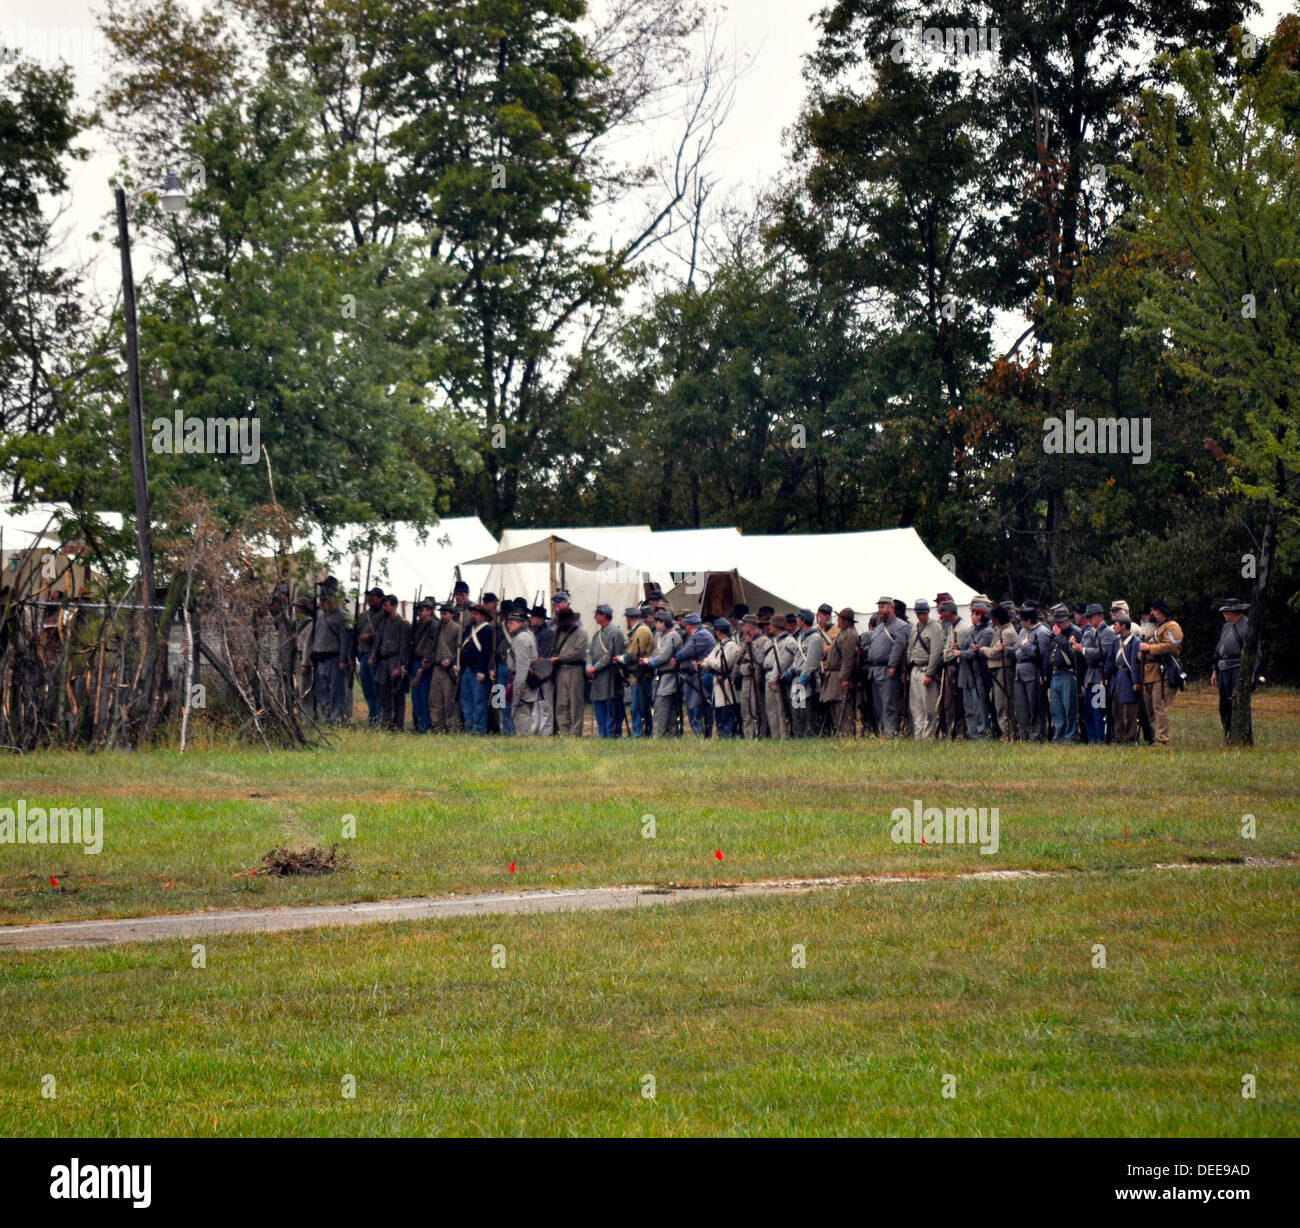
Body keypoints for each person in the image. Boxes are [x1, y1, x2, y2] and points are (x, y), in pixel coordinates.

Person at [1139, 597, 1183, 746]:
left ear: (1162, 612)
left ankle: (1162, 739)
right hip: (1149, 673)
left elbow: (1172, 646)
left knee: (1160, 707)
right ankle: (1155, 736)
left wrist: (1149, 648)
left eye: (1154, 610)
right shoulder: (1152, 630)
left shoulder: (1172, 627)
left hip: (1163, 672)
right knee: (1150, 708)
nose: (1151, 613)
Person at [863, 596, 907, 737]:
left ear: (890, 608)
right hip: (875, 671)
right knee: (878, 706)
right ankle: (883, 734)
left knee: (889, 706)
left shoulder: (900, 626)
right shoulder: (879, 627)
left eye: (882, 607)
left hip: (888, 670)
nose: (879, 610)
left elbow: (899, 648)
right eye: (879, 607)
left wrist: (893, 666)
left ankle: (890, 736)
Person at [1073, 603, 1116, 743]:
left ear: (1100, 616)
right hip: (1089, 675)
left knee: (1099, 711)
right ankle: (1092, 739)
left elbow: (1102, 653)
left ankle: (1100, 739)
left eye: (1092, 617)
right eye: (1089, 617)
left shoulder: (1108, 632)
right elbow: (1089, 649)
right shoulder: (1089, 632)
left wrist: (1084, 650)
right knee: (1089, 712)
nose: (1090, 620)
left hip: (1100, 675)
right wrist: (1085, 650)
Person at [370, 593, 411, 731]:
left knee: (397, 695)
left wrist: (400, 666)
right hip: (384, 662)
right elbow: (377, 641)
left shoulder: (403, 624)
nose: (384, 608)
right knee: (384, 694)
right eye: (383, 605)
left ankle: (398, 725)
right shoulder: (383, 622)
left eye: (386, 605)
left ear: (394, 606)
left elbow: (404, 646)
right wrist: (373, 656)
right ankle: (386, 722)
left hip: (395, 661)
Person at [1211, 598, 1250, 740]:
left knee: (1237, 703)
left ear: (1235, 611)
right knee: (1224, 703)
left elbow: (1254, 650)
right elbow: (1219, 649)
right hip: (1223, 667)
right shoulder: (1227, 626)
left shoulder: (1247, 625)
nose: (1225, 614)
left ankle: (1240, 735)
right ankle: (1227, 733)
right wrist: (1215, 669)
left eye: (1227, 611)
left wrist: (1251, 672)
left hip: (1238, 667)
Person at [587, 604, 627, 737]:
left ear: (603, 615)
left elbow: (610, 655)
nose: (594, 617)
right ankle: (603, 735)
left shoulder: (616, 633)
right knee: (599, 708)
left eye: (597, 614)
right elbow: (589, 653)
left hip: (611, 677)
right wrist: (588, 667)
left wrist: (595, 667)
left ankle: (611, 735)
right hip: (597, 678)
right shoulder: (596, 635)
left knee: (612, 710)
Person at [906, 599, 944, 739]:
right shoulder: (915, 627)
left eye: (923, 613)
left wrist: (929, 673)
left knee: (929, 708)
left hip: (926, 669)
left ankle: (928, 738)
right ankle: (919, 737)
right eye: (918, 613)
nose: (921, 616)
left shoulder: (935, 628)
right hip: (915, 669)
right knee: (915, 707)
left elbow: (936, 653)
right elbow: (910, 648)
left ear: (928, 612)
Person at [1013, 604, 1051, 741]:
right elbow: (1017, 648)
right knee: (1022, 706)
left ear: (1029, 621)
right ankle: (1024, 734)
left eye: (1022, 620)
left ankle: (1037, 735)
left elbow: (1041, 654)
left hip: (1033, 672)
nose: (1020, 622)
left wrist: (1026, 646)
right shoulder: (1023, 632)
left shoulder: (1042, 632)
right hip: (1020, 671)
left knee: (1035, 705)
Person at [310, 591, 349, 724]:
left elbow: (345, 640)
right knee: (322, 690)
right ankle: (325, 718)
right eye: (321, 600)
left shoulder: (343, 616)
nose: (321, 603)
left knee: (337, 691)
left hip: (335, 658)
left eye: (324, 601)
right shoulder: (319, 615)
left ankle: (337, 719)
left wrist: (343, 659)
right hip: (320, 658)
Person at [644, 609, 684, 737]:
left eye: (658, 622)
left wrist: (650, 662)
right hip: (661, 675)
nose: (656, 624)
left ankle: (658, 735)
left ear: (664, 623)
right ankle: (670, 736)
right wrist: (648, 660)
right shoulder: (658, 635)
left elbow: (664, 656)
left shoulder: (673, 636)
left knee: (661, 706)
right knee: (669, 707)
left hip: (670, 675)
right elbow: (656, 653)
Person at [675, 613, 716, 736]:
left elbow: (688, 652)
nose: (685, 627)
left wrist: (675, 657)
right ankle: (701, 733)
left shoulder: (701, 635)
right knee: (697, 705)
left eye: (686, 625)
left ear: (690, 625)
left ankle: (700, 734)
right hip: (697, 674)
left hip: (703, 674)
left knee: (695, 705)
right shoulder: (697, 634)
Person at [550, 607, 589, 735]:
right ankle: (564, 731)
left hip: (575, 670)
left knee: (575, 702)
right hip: (561, 670)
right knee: (562, 703)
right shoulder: (558, 632)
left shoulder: (581, 634)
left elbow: (578, 653)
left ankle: (576, 732)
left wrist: (559, 658)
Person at [980, 603, 1017, 740]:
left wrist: (984, 650)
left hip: (1004, 670)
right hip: (997, 670)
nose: (991, 621)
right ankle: (1004, 732)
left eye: (993, 618)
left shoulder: (1008, 633)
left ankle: (1008, 733)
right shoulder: (1000, 630)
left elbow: (996, 653)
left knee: (1003, 704)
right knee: (998, 703)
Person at [617, 606, 654, 737]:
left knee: (638, 707)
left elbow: (632, 654)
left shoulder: (641, 630)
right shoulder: (639, 630)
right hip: (636, 675)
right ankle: (646, 732)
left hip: (640, 675)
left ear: (629, 618)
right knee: (640, 706)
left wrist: (620, 659)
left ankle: (639, 734)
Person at [821, 608, 859, 737]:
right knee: (836, 711)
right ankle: (840, 736)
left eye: (839, 618)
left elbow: (848, 659)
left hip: (840, 676)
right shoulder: (844, 633)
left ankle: (846, 737)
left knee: (843, 711)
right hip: (834, 676)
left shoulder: (849, 635)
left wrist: (844, 679)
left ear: (844, 621)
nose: (837, 620)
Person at [1046, 603, 1081, 743]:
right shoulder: (1054, 634)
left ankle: (1070, 736)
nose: (1055, 625)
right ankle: (1059, 736)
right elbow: (1049, 653)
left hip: (1068, 673)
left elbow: (1073, 655)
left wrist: (1059, 636)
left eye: (1057, 622)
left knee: (1069, 707)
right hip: (1055, 673)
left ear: (1065, 621)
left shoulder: (1075, 632)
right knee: (1056, 708)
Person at [960, 600, 994, 739]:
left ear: (981, 615)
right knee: (969, 708)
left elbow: (975, 652)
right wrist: (960, 649)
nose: (972, 616)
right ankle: (972, 733)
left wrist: (961, 653)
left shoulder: (988, 632)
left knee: (980, 707)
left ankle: (982, 734)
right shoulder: (971, 630)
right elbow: (964, 647)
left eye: (975, 613)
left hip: (978, 673)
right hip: (967, 673)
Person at [1108, 612, 1143, 744]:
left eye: (1116, 624)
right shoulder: (1116, 642)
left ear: (1123, 626)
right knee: (1117, 711)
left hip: (1128, 679)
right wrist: (1107, 676)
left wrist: (1136, 682)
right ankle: (1119, 739)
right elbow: (1110, 661)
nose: (1114, 627)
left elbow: (1135, 664)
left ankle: (1130, 739)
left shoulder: (1135, 642)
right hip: (1118, 678)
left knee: (1129, 712)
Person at [457, 603, 493, 734]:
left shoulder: (487, 630)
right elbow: (462, 648)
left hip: (477, 670)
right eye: (472, 613)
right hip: (466, 669)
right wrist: (458, 664)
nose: (473, 616)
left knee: (479, 702)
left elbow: (486, 652)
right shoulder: (468, 629)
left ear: (483, 616)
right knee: (466, 701)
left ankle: (479, 729)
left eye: (476, 614)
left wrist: (482, 671)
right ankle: (469, 727)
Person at [704, 618, 742, 738]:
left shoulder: (731, 646)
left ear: (719, 631)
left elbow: (721, 666)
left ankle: (729, 735)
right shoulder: (719, 645)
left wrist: (708, 661)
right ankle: (723, 735)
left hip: (726, 684)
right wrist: (702, 665)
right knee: (720, 712)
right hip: (718, 684)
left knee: (727, 712)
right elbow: (710, 662)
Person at [792, 609, 827, 737]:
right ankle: (799, 736)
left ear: (803, 620)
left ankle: (810, 737)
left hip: (807, 679)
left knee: (808, 712)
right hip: (797, 678)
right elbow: (797, 658)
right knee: (798, 711)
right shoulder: (800, 637)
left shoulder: (815, 638)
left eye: (798, 618)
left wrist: (803, 679)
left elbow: (812, 662)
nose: (796, 621)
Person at [507, 609, 542, 735]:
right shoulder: (528, 635)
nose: (508, 624)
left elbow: (522, 665)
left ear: (520, 623)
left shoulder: (522, 639)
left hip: (523, 679)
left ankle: (524, 740)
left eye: (511, 622)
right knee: (525, 711)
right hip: (527, 678)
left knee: (521, 712)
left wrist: (520, 685)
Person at [937, 600, 969, 740]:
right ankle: (952, 731)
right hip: (949, 666)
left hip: (957, 667)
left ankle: (960, 732)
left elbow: (959, 650)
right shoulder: (952, 627)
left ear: (949, 612)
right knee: (949, 702)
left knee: (958, 702)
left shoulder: (962, 629)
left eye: (943, 611)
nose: (941, 614)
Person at [763, 612, 797, 740]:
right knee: (771, 710)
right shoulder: (772, 641)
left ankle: (784, 736)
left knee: (780, 710)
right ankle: (775, 736)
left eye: (771, 624)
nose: (769, 627)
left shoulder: (789, 642)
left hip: (776, 678)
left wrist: (772, 680)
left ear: (777, 626)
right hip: (769, 676)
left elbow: (782, 663)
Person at [354, 587, 385, 727]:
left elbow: (384, 635)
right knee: (367, 690)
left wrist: (370, 637)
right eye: (368, 596)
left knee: (377, 689)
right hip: (363, 654)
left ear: (380, 598)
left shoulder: (384, 615)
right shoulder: (362, 616)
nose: (370, 599)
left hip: (376, 656)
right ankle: (372, 717)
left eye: (373, 596)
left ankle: (377, 719)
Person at [429, 603, 461, 733]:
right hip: (437, 668)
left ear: (452, 614)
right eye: (442, 613)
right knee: (435, 700)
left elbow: (459, 649)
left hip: (450, 670)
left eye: (446, 613)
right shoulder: (437, 628)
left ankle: (453, 728)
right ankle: (438, 727)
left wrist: (452, 660)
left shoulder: (457, 628)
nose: (443, 615)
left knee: (450, 701)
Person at [738, 615, 770, 739]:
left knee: (756, 709)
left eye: (744, 625)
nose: (741, 628)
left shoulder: (763, 640)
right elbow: (739, 658)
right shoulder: (745, 640)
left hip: (755, 678)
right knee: (746, 710)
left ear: (749, 627)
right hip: (745, 677)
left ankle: (759, 735)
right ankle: (748, 736)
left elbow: (760, 660)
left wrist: (750, 645)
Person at [408, 600, 436, 733]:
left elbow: (431, 645)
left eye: (422, 610)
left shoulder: (433, 625)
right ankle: (419, 725)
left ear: (429, 611)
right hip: (414, 661)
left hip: (424, 663)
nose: (419, 612)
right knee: (416, 696)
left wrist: (425, 662)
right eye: (418, 610)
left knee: (425, 696)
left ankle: (426, 725)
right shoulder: (417, 625)